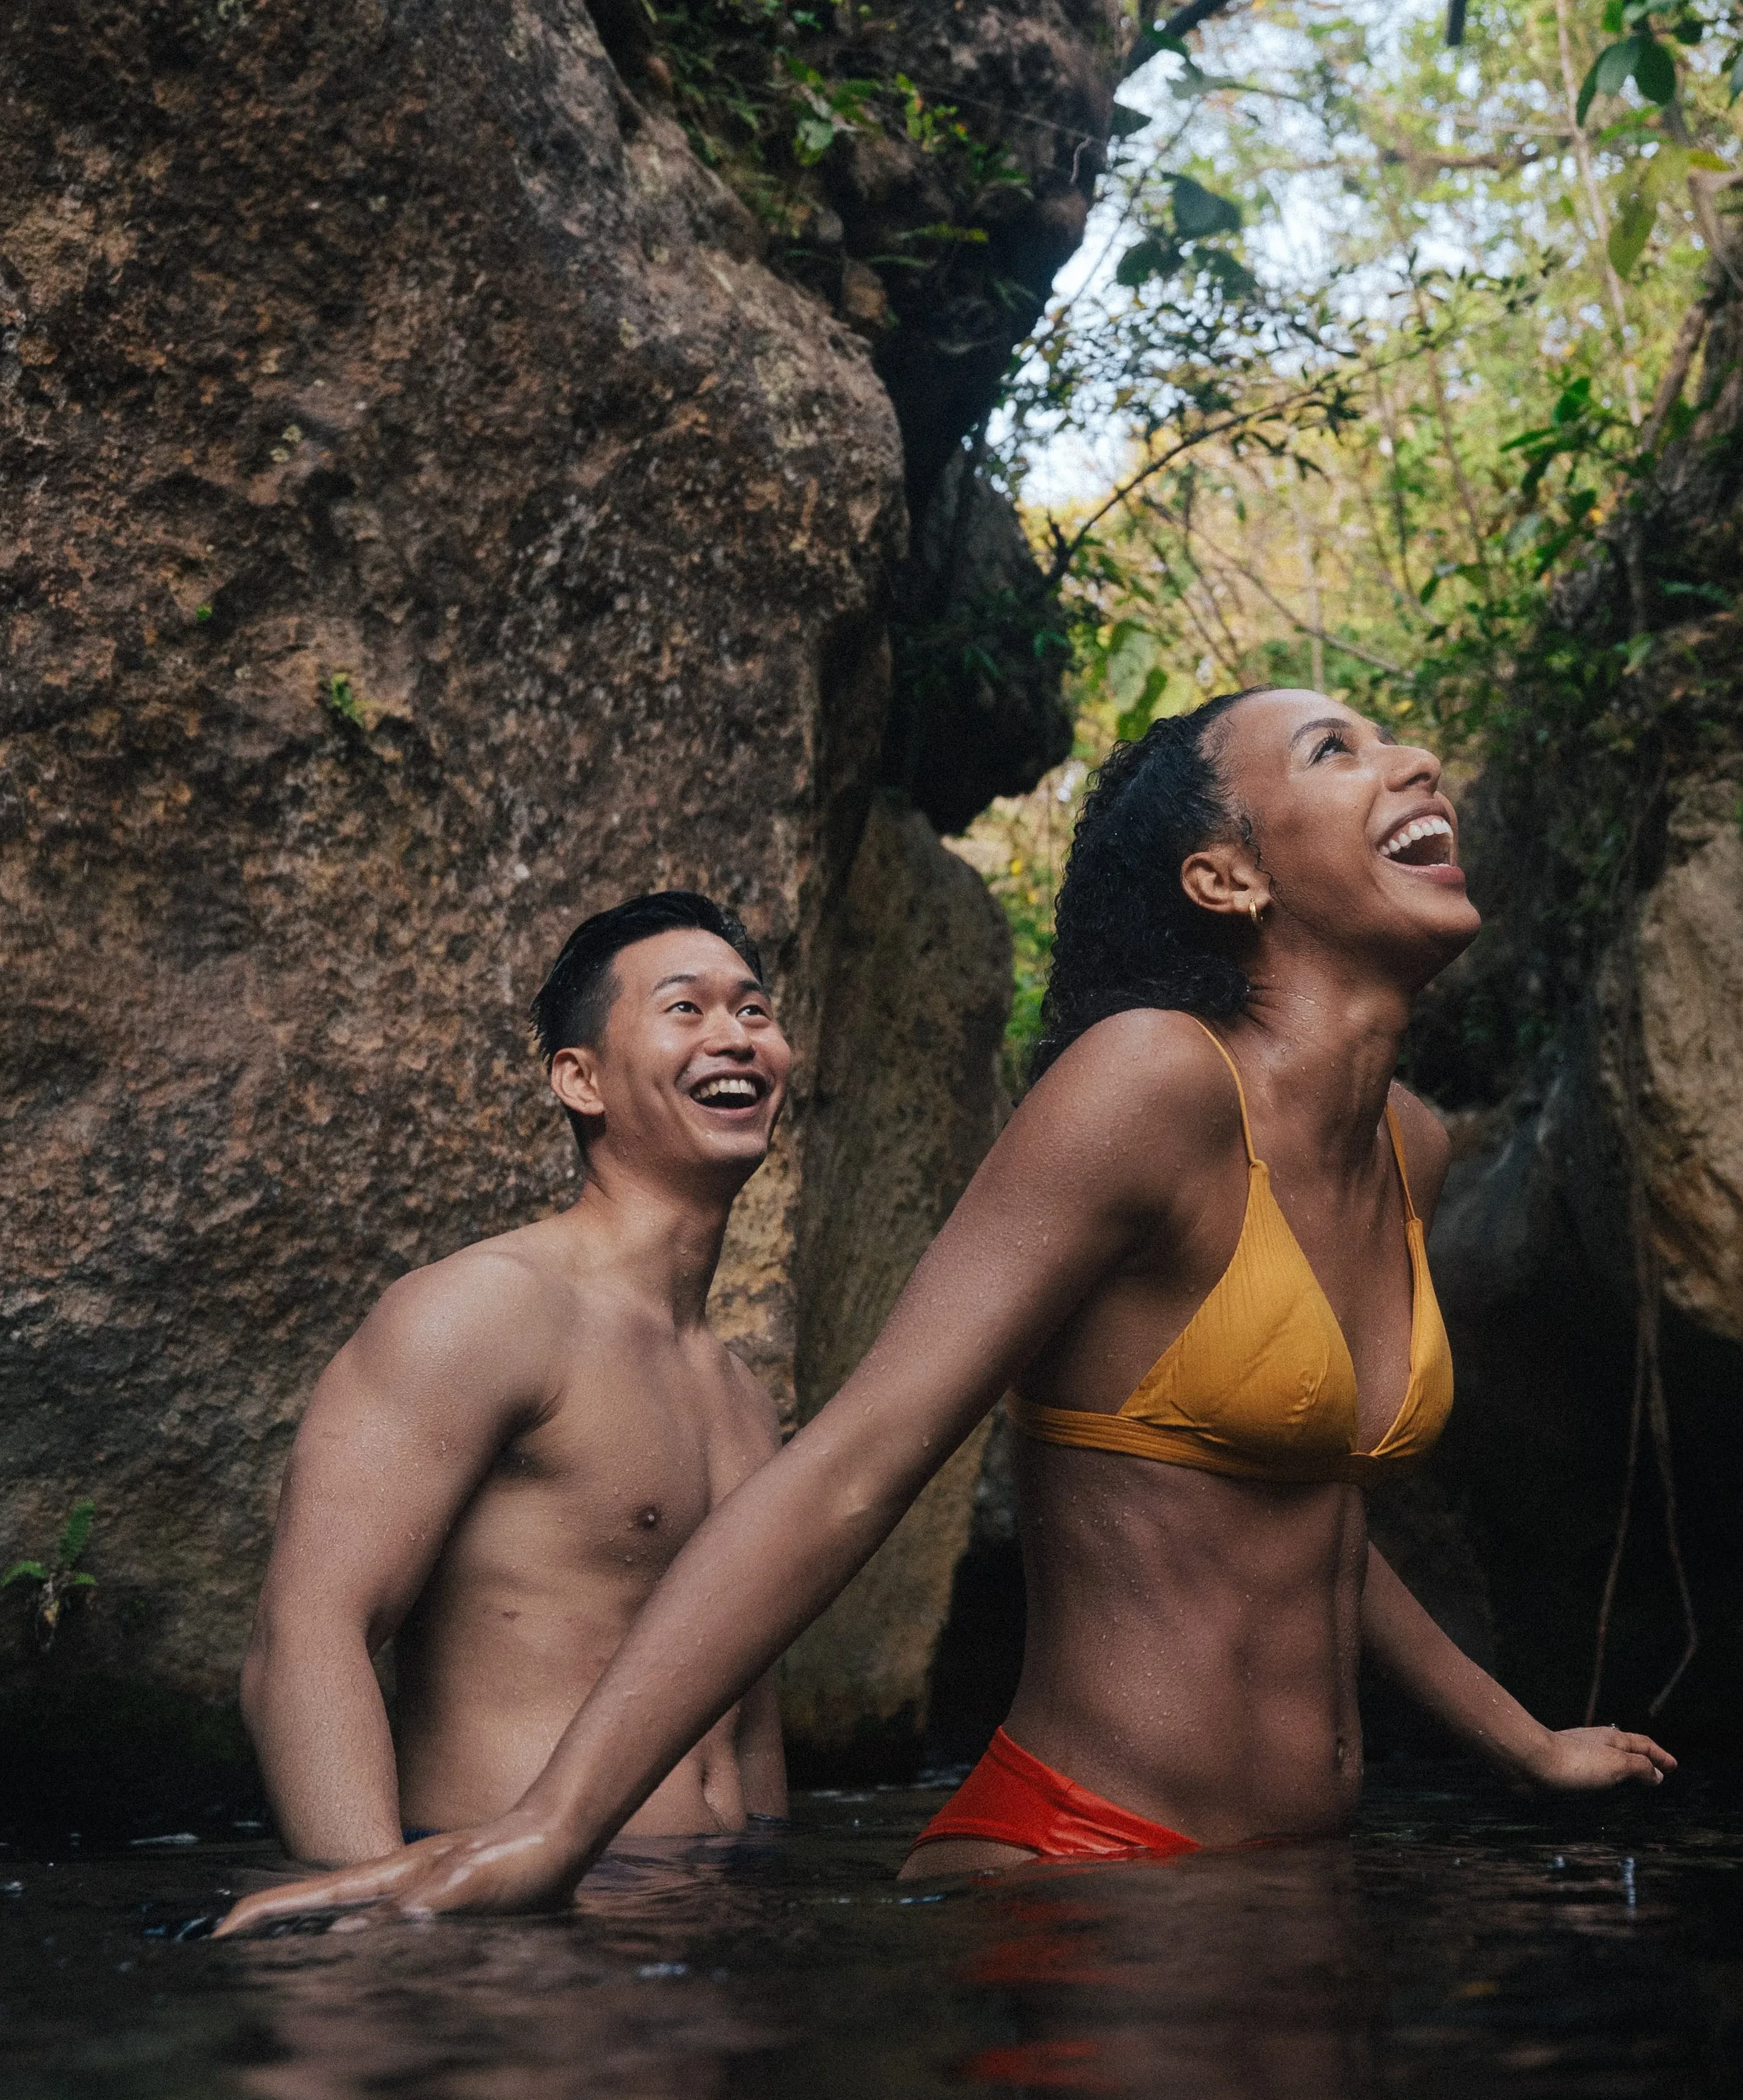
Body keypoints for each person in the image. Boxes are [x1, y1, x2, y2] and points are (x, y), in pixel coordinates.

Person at [218, 689, 1670, 1931]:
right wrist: (534, 1839)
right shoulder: (1146, 1081)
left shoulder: (1405, 1146)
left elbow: (1311, 1527)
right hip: (1089, 1857)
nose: (1415, 763)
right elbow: (854, 1469)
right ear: (1225, 879)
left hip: (1277, 1874)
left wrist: (1521, 1747)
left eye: (754, 1004)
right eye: (1336, 752)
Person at [235, 890, 793, 1865]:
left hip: (711, 1916)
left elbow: (749, 1721)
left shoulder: (741, 1393)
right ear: (581, 1080)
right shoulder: (483, 1312)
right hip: (507, 1928)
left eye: (754, 1011)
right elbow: (307, 1636)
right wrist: (381, 1925)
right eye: (686, 1009)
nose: (737, 1037)